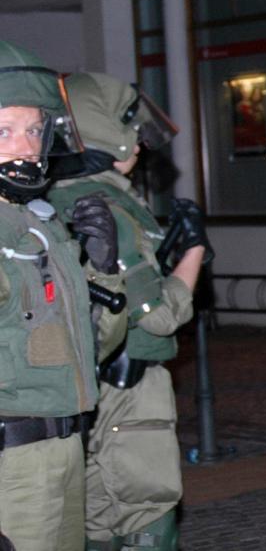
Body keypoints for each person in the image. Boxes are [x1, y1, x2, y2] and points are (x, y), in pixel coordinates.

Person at [48, 73, 206, 551]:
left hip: (94, 394)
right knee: (145, 518)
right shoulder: (107, 205)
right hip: (128, 396)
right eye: (129, 127)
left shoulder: (60, 195)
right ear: (104, 131)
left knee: (97, 519)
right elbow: (158, 316)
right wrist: (195, 250)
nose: (140, 142)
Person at [0, 42, 104, 551]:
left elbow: (86, 341)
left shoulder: (37, 222)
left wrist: (101, 267)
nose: (25, 145)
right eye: (4, 130)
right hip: (11, 464)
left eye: (35, 129)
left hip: (62, 447)